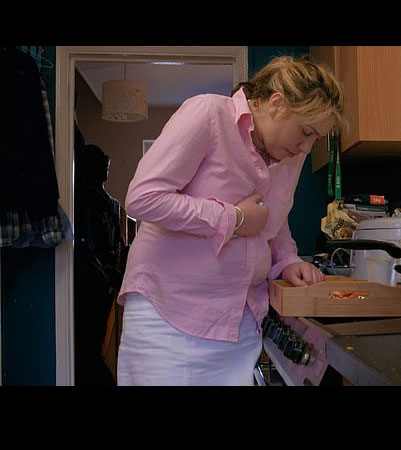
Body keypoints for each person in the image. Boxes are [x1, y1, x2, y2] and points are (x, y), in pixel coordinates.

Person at [116, 55, 345, 386]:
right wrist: (233, 218)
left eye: (315, 139)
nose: (306, 148)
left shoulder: (288, 154)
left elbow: (272, 216)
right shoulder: (209, 114)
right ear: (277, 104)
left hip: (241, 323)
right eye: (305, 132)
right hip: (170, 319)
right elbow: (143, 198)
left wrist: (288, 259)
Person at [74, 143, 123, 385]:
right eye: (102, 162)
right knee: (89, 340)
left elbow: (116, 241)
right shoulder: (82, 199)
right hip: (92, 278)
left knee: (97, 337)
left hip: (105, 278)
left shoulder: (108, 202)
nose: (106, 167)